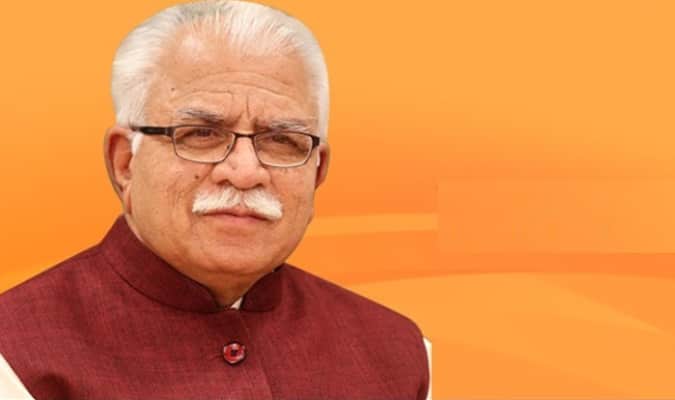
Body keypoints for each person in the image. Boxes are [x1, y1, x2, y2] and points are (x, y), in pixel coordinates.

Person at [0, 1, 431, 399]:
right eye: (202, 134)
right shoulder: (16, 355)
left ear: (317, 172)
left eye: (282, 140)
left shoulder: (396, 356)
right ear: (125, 162)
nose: (245, 172)